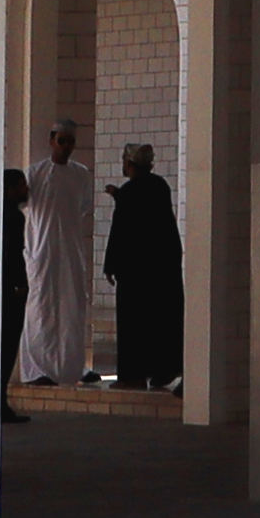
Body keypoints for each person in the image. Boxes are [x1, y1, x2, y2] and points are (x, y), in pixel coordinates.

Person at [103, 140, 184, 398]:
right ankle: (163, 370)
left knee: (133, 324)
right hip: (162, 269)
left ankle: (133, 376)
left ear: (129, 163)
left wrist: (110, 265)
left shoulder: (129, 192)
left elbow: (123, 231)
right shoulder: (160, 186)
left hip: (135, 272)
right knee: (161, 321)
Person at [16, 120, 92, 384]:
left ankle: (72, 366)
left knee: (72, 307)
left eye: (71, 142)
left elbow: (82, 207)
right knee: (41, 308)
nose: (67, 147)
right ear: (51, 141)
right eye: (62, 141)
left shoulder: (81, 174)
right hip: (42, 251)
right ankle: (37, 369)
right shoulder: (35, 174)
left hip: (70, 251)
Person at [0, 164, 29, 391]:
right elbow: (14, 253)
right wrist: (19, 283)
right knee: (7, 347)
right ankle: (1, 401)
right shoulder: (14, 217)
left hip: (0, 288)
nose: (26, 190)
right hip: (10, 291)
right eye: (21, 186)